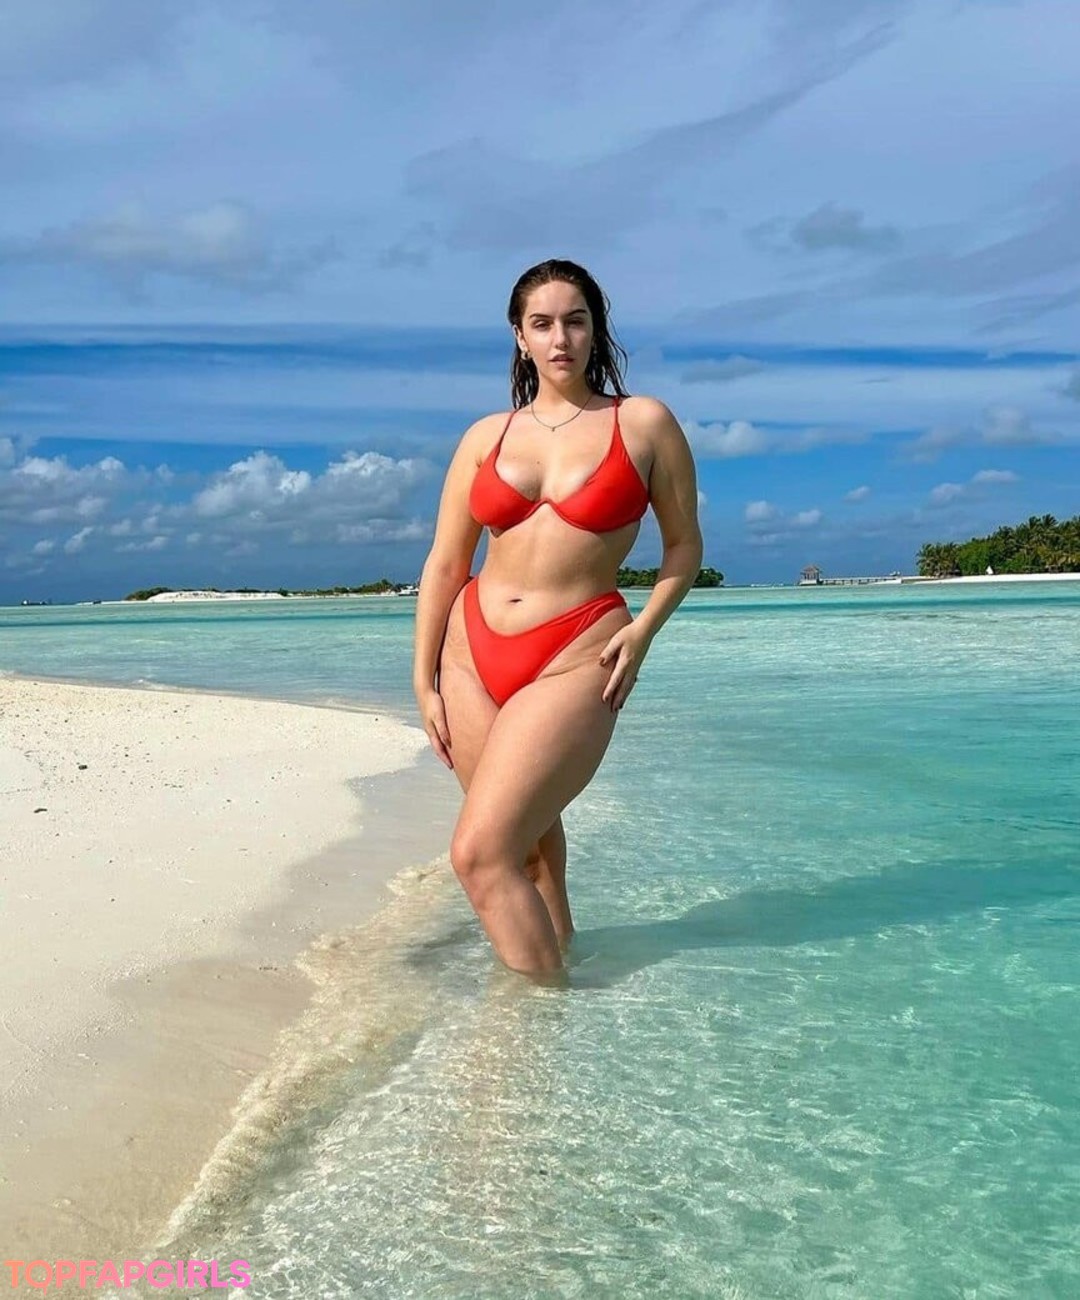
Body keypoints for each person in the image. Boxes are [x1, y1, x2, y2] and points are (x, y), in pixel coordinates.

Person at [412, 258, 703, 981]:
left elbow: (684, 547)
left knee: (480, 855)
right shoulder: (486, 436)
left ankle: (535, 1014)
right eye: (541, 324)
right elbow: (445, 563)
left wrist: (644, 631)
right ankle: (559, 981)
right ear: (520, 337)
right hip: (470, 652)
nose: (560, 338)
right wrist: (422, 679)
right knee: (528, 851)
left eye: (575, 321)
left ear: (596, 329)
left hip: (578, 651)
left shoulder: (643, 423)